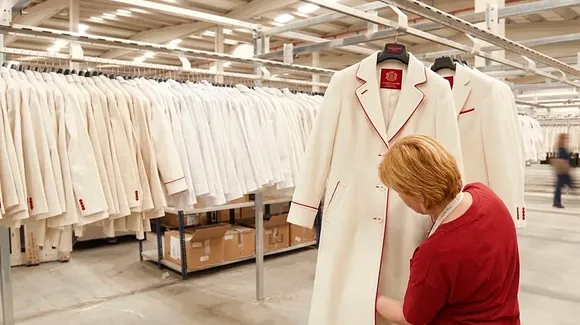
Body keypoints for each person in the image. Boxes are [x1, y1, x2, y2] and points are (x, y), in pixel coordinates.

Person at [375, 135, 520, 325]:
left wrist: (374, 298)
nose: (399, 197)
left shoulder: (434, 254)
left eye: (399, 191)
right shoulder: (486, 197)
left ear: (419, 196)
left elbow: (412, 318)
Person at [552, 133, 573, 208]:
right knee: (560, 186)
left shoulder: (561, 147)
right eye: (566, 138)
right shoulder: (561, 148)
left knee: (559, 186)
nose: (567, 140)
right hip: (562, 170)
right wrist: (569, 155)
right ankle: (556, 202)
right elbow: (563, 157)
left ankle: (556, 202)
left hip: (561, 170)